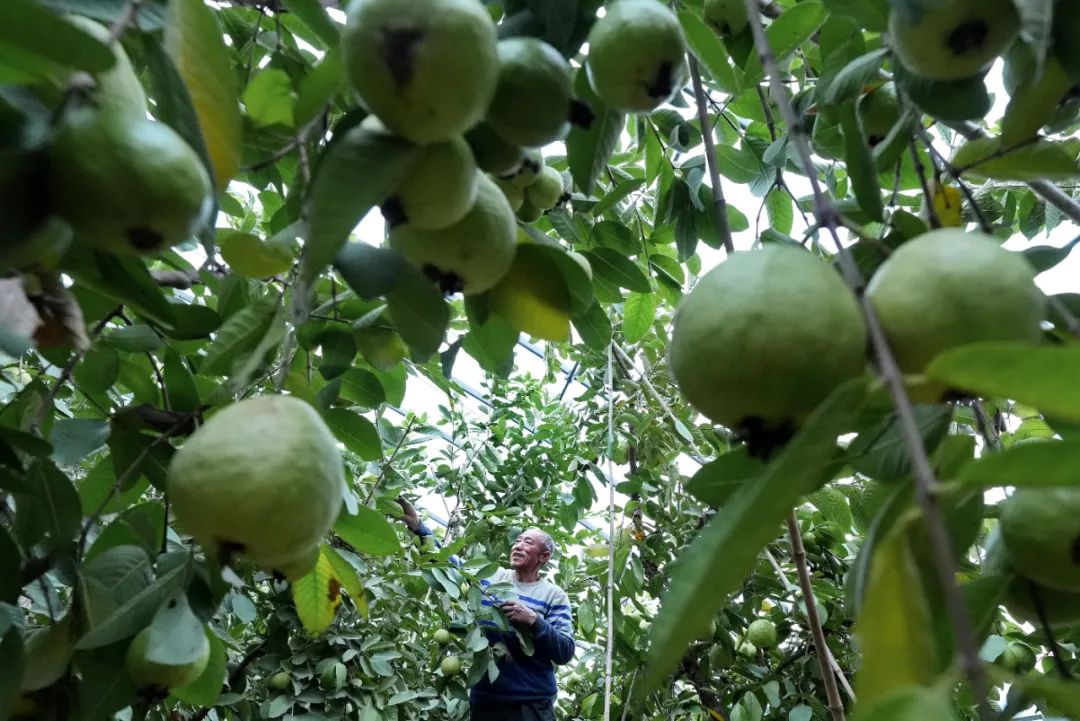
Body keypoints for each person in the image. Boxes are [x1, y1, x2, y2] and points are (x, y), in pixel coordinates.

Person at [397, 498, 575, 721]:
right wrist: (419, 527)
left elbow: (565, 651)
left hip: (530, 704)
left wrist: (534, 621)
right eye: (517, 541)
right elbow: (448, 564)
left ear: (544, 556)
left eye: (528, 543)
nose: (518, 546)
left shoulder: (553, 596)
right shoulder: (490, 576)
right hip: (486, 701)